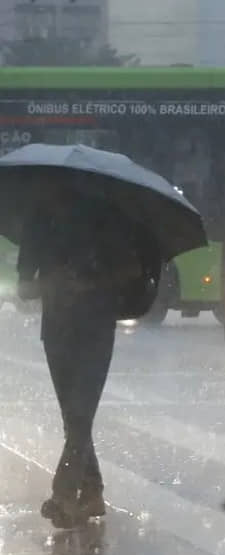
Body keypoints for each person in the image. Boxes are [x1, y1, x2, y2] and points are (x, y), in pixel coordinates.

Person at [17, 182, 142, 529]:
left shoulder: (106, 219)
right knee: (75, 418)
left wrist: (89, 280)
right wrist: (57, 281)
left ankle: (63, 495)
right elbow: (24, 286)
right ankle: (92, 492)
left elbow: (130, 270)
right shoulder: (41, 220)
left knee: (79, 414)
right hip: (64, 330)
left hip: (91, 330)